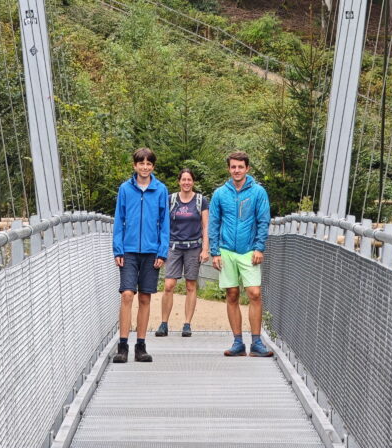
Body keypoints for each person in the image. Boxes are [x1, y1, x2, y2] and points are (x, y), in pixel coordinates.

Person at [208, 150, 273, 358]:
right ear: (229, 169)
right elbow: (214, 223)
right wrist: (215, 252)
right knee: (232, 294)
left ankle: (256, 342)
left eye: (240, 167)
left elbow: (263, 220)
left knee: (254, 293)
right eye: (233, 167)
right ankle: (237, 342)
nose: (237, 170)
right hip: (226, 250)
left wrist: (259, 247)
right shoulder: (220, 194)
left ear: (247, 169)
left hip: (249, 250)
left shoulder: (258, 192)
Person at [112, 147, 170, 363]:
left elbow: (165, 223)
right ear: (135, 165)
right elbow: (119, 219)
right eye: (141, 163)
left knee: (145, 297)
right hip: (128, 250)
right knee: (127, 294)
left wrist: (162, 251)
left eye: (148, 164)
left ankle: (141, 346)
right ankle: (123, 345)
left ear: (152, 166)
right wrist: (117, 248)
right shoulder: (125, 189)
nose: (144, 167)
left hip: (151, 250)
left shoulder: (161, 190)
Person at [155, 168, 209, 338]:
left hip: (193, 247)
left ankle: (187, 324)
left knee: (190, 285)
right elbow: (162, 225)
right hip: (174, 247)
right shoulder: (171, 200)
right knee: (169, 285)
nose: (186, 182)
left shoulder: (201, 201)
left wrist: (205, 249)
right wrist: (160, 248)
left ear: (193, 182)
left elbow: (206, 226)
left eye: (189, 180)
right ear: (179, 181)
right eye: (183, 179)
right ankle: (164, 323)